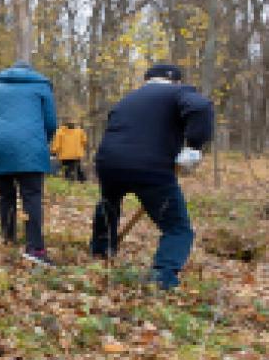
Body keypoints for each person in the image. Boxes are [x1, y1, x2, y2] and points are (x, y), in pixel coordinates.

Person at [89, 63, 214, 290]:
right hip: (150, 167)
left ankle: (100, 253)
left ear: (147, 80)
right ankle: (163, 275)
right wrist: (194, 146)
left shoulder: (128, 99)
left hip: (108, 162)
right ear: (175, 80)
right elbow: (201, 107)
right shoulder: (178, 92)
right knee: (177, 227)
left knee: (109, 204)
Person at [0, 60, 58, 266]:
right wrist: (42, 140)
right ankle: (35, 248)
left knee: (5, 194)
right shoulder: (41, 87)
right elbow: (51, 123)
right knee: (31, 196)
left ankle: (9, 239)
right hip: (31, 148)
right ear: (31, 72)